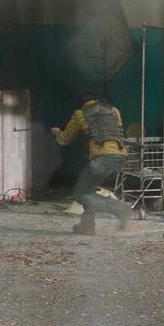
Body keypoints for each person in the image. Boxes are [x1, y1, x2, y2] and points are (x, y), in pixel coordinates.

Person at [51, 96, 131, 235]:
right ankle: (87, 226)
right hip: (120, 156)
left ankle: (119, 208)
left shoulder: (80, 113)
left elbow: (64, 140)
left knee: (81, 193)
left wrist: (57, 132)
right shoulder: (114, 111)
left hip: (101, 158)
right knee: (88, 191)